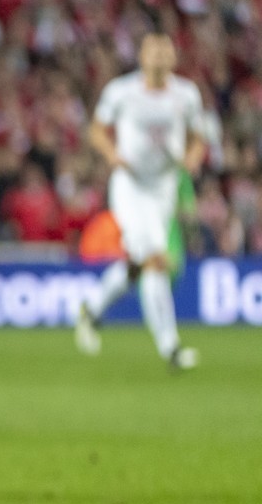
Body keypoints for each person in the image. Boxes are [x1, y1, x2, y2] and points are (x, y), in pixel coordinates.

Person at [74, 33, 205, 370]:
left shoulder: (186, 94)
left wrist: (191, 158)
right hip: (130, 185)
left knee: (138, 263)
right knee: (155, 260)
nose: (160, 57)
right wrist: (112, 155)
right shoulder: (122, 91)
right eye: (154, 51)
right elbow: (97, 130)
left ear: (174, 57)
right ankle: (171, 349)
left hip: (163, 186)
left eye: (166, 50)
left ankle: (92, 311)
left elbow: (197, 137)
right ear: (142, 56)